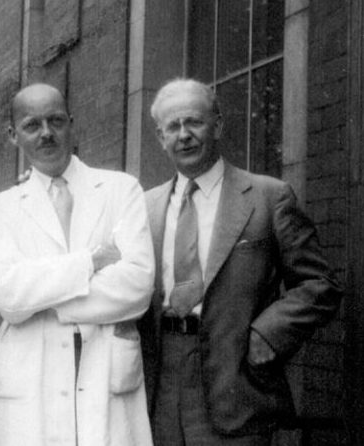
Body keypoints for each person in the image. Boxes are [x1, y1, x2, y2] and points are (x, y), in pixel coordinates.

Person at [139, 78, 343, 445]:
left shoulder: (268, 197)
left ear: (217, 125)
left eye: (194, 122)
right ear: (160, 137)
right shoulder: (143, 207)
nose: (184, 135)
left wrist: (269, 332)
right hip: (158, 385)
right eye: (173, 127)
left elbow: (320, 285)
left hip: (236, 381)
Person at [0, 83, 155, 445]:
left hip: (104, 365)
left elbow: (137, 287)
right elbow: (8, 297)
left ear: (72, 124)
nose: (46, 133)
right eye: (32, 125)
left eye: (56, 121)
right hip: (32, 375)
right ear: (14, 135)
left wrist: (42, 299)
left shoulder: (121, 190)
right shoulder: (2, 208)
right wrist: (90, 262)